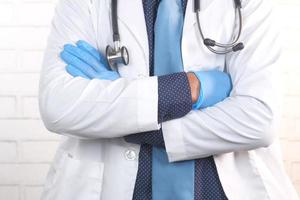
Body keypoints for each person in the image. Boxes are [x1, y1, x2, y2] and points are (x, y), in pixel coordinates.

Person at [39, 0, 299, 199]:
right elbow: (58, 105)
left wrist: (119, 102)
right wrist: (189, 87)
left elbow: (258, 120)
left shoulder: (247, 3)